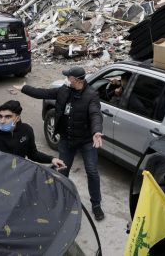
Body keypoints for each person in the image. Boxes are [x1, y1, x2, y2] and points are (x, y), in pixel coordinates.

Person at [14, 66, 105, 220]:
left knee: (92, 171)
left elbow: (95, 114)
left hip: (85, 141)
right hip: (66, 139)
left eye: (68, 77)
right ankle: (60, 200)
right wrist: (24, 88)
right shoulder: (64, 90)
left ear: (76, 80)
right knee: (62, 170)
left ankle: (96, 204)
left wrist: (96, 131)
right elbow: (44, 93)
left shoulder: (91, 95)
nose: (66, 79)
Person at [0, 100, 67, 169]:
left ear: (17, 118)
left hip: (20, 174)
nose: (2, 120)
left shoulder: (26, 130)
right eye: (1, 116)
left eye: (8, 117)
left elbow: (33, 154)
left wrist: (51, 159)